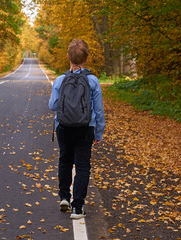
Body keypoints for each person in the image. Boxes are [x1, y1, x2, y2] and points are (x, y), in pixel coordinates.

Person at [48, 39, 105, 219]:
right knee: (82, 167)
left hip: (63, 127)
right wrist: (99, 132)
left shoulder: (60, 80)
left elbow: (52, 105)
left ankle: (64, 197)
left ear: (68, 57)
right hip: (85, 127)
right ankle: (77, 208)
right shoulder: (93, 81)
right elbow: (98, 109)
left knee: (64, 160)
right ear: (86, 58)